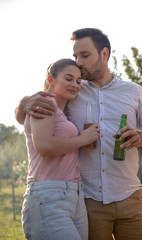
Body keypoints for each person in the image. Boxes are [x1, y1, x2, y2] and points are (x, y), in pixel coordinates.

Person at [15, 28, 142, 240]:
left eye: (84, 55)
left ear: (104, 54)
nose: (79, 62)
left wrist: (141, 138)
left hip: (129, 195)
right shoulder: (73, 88)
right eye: (75, 56)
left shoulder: (133, 91)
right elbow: (30, 117)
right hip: (88, 199)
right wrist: (24, 103)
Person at [21, 58, 100, 240]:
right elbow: (44, 146)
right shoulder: (44, 102)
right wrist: (82, 139)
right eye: (68, 79)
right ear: (51, 80)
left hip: (74, 195)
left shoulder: (65, 111)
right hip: (48, 194)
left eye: (78, 81)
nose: (75, 84)